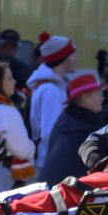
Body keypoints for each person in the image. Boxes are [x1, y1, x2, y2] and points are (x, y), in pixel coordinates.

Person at [0, 62, 36, 200]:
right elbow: (22, 149)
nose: (14, 82)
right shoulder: (5, 111)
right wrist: (32, 147)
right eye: (9, 79)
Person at [40, 74, 105, 186]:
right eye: (98, 94)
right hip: (67, 191)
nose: (102, 98)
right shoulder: (87, 125)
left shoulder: (66, 119)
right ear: (86, 98)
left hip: (51, 185)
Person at [26, 34, 76, 173]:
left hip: (48, 162)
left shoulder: (51, 87)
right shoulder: (51, 91)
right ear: (64, 59)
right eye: (72, 55)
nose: (75, 59)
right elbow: (50, 132)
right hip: (49, 164)